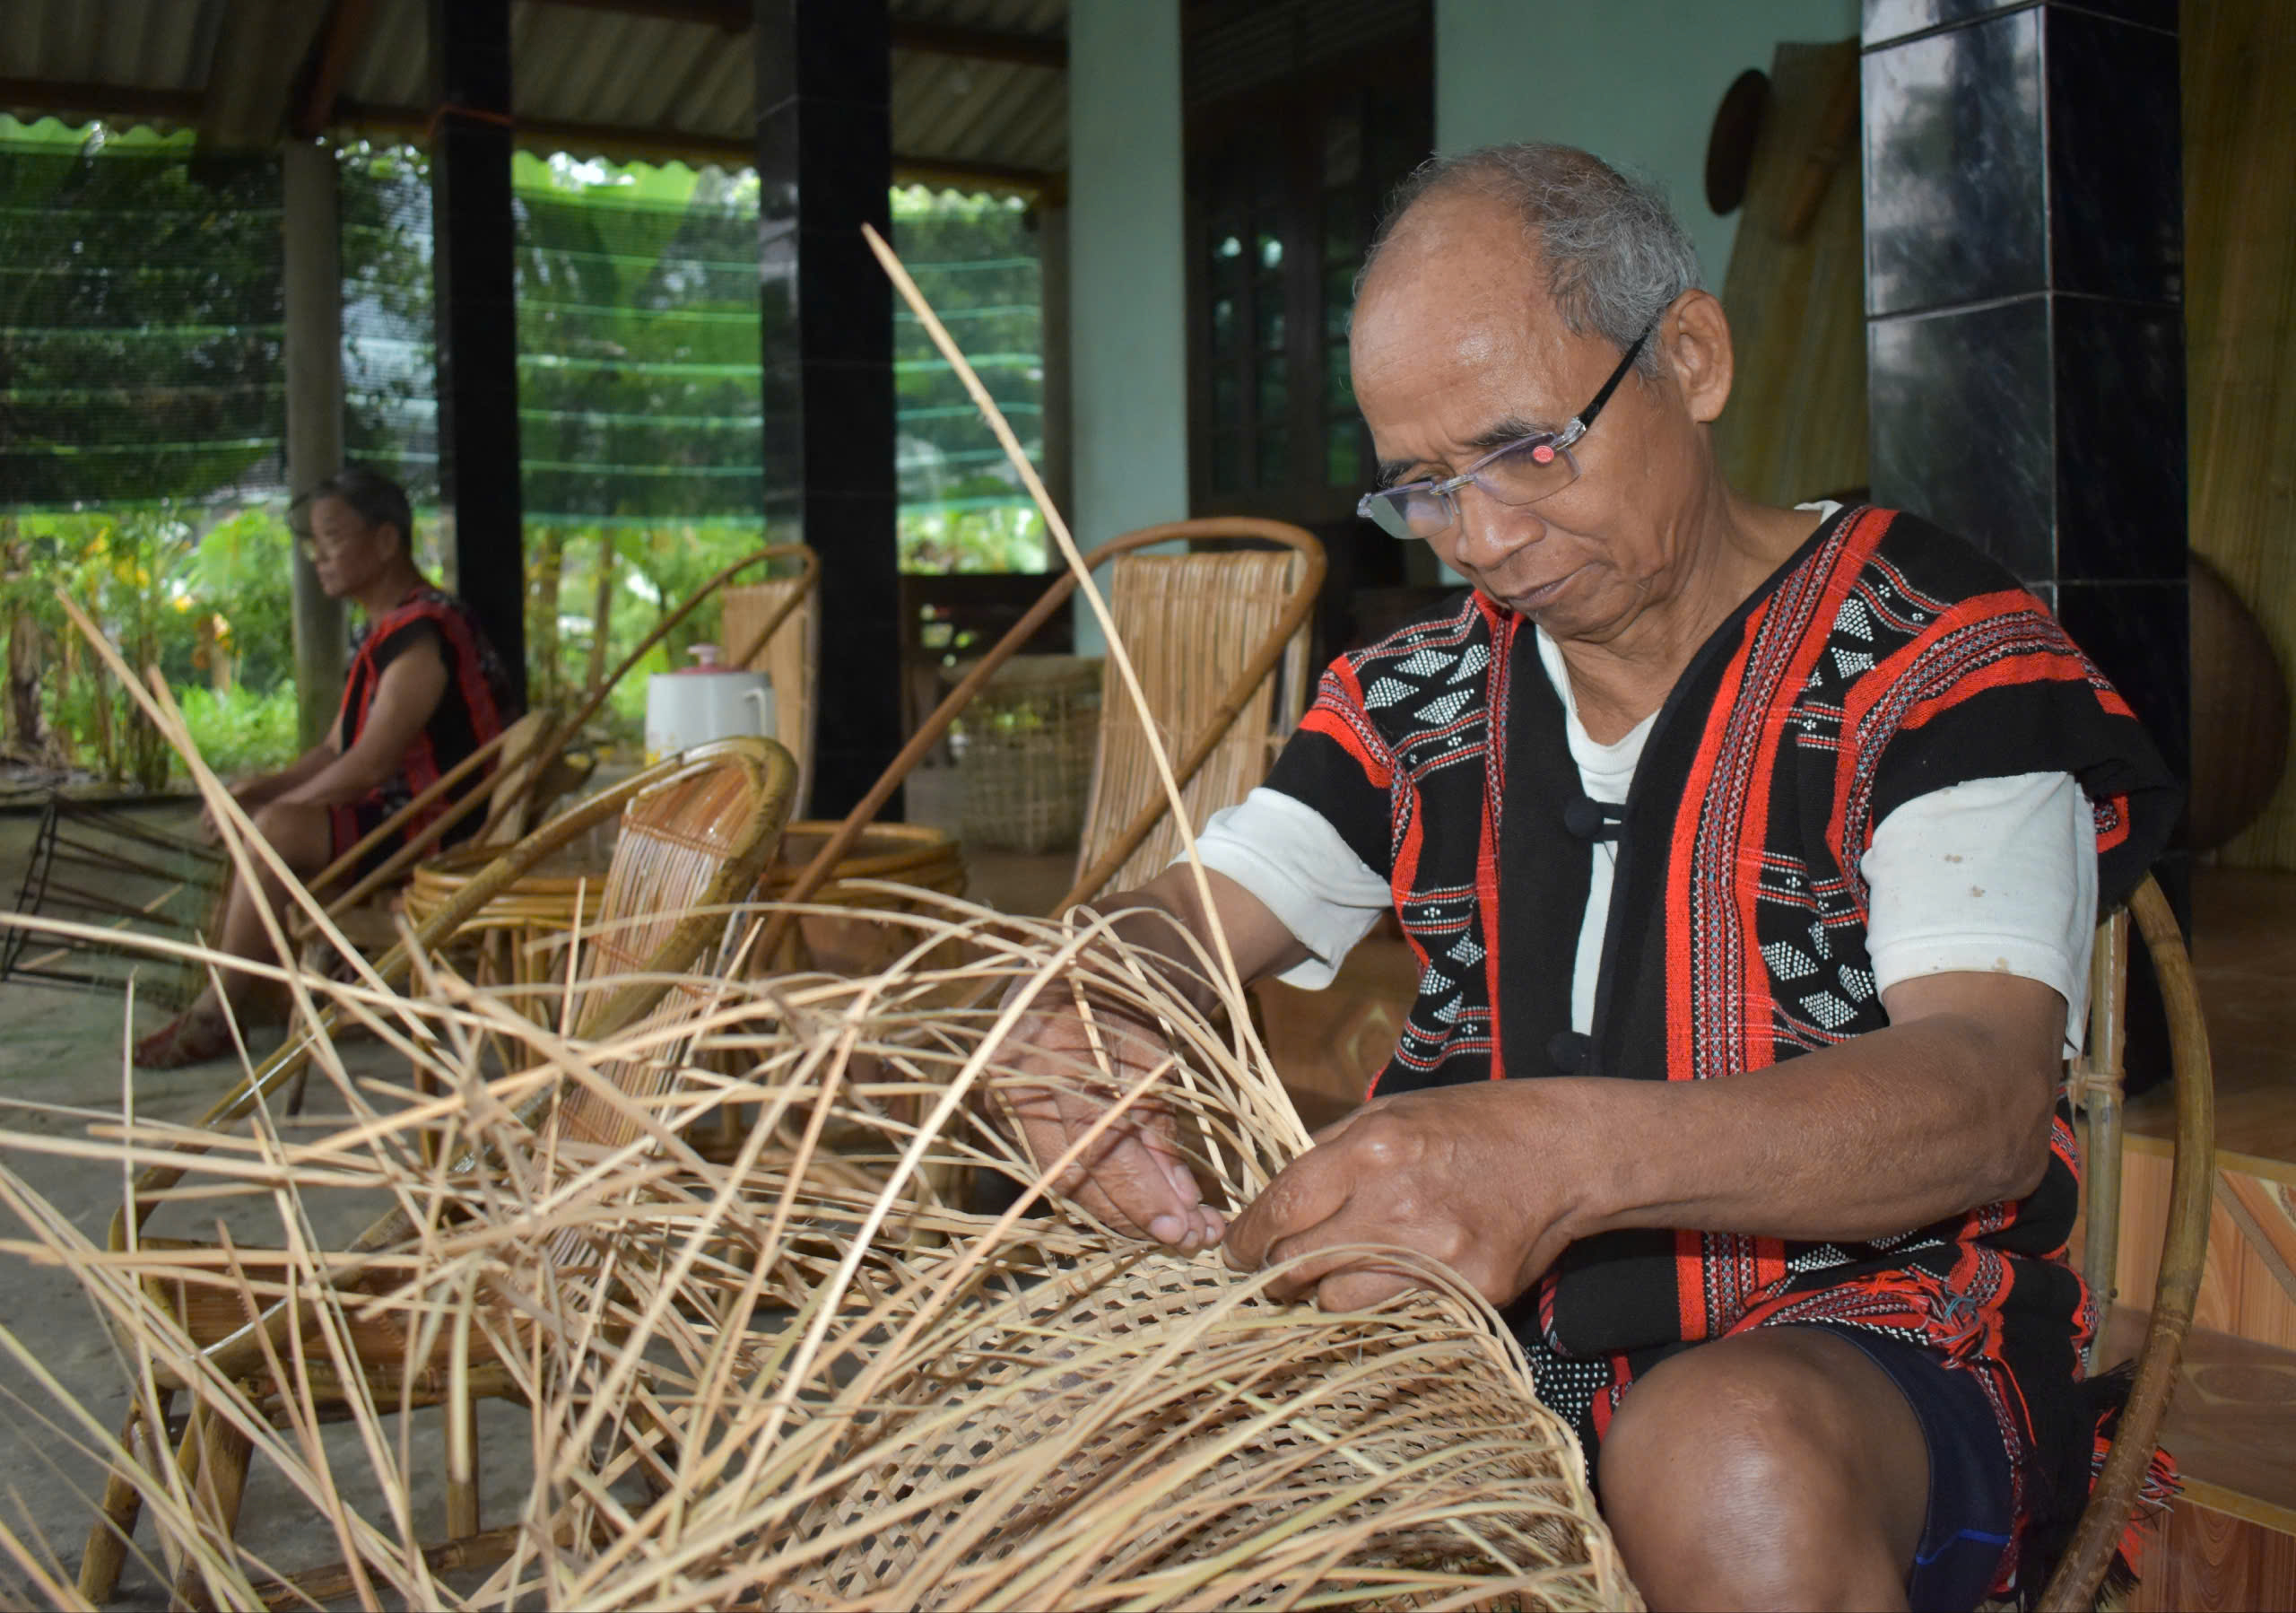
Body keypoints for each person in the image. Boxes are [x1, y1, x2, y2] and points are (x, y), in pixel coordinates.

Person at [995, 144, 2177, 1611]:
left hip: (1866, 1359)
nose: (1486, 540)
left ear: (1689, 357)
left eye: (1529, 449)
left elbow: (1983, 1103)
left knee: (1721, 1452)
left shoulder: (1938, 658)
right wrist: (1082, 998)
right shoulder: (1414, 699)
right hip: (1472, 1370)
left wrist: (1556, 1157)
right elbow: (1180, 915)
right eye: (1424, 490)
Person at [134, 467, 518, 1068]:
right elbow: (337, 749)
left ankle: (217, 1015)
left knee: (278, 831)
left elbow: (369, 765)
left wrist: (277, 813)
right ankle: (254, 992)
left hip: (445, 830)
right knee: (270, 816)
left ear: (387, 541)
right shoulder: (385, 632)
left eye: (334, 536)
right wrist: (258, 789)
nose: (320, 556)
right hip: (406, 821)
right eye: (316, 541)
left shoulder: (422, 632)